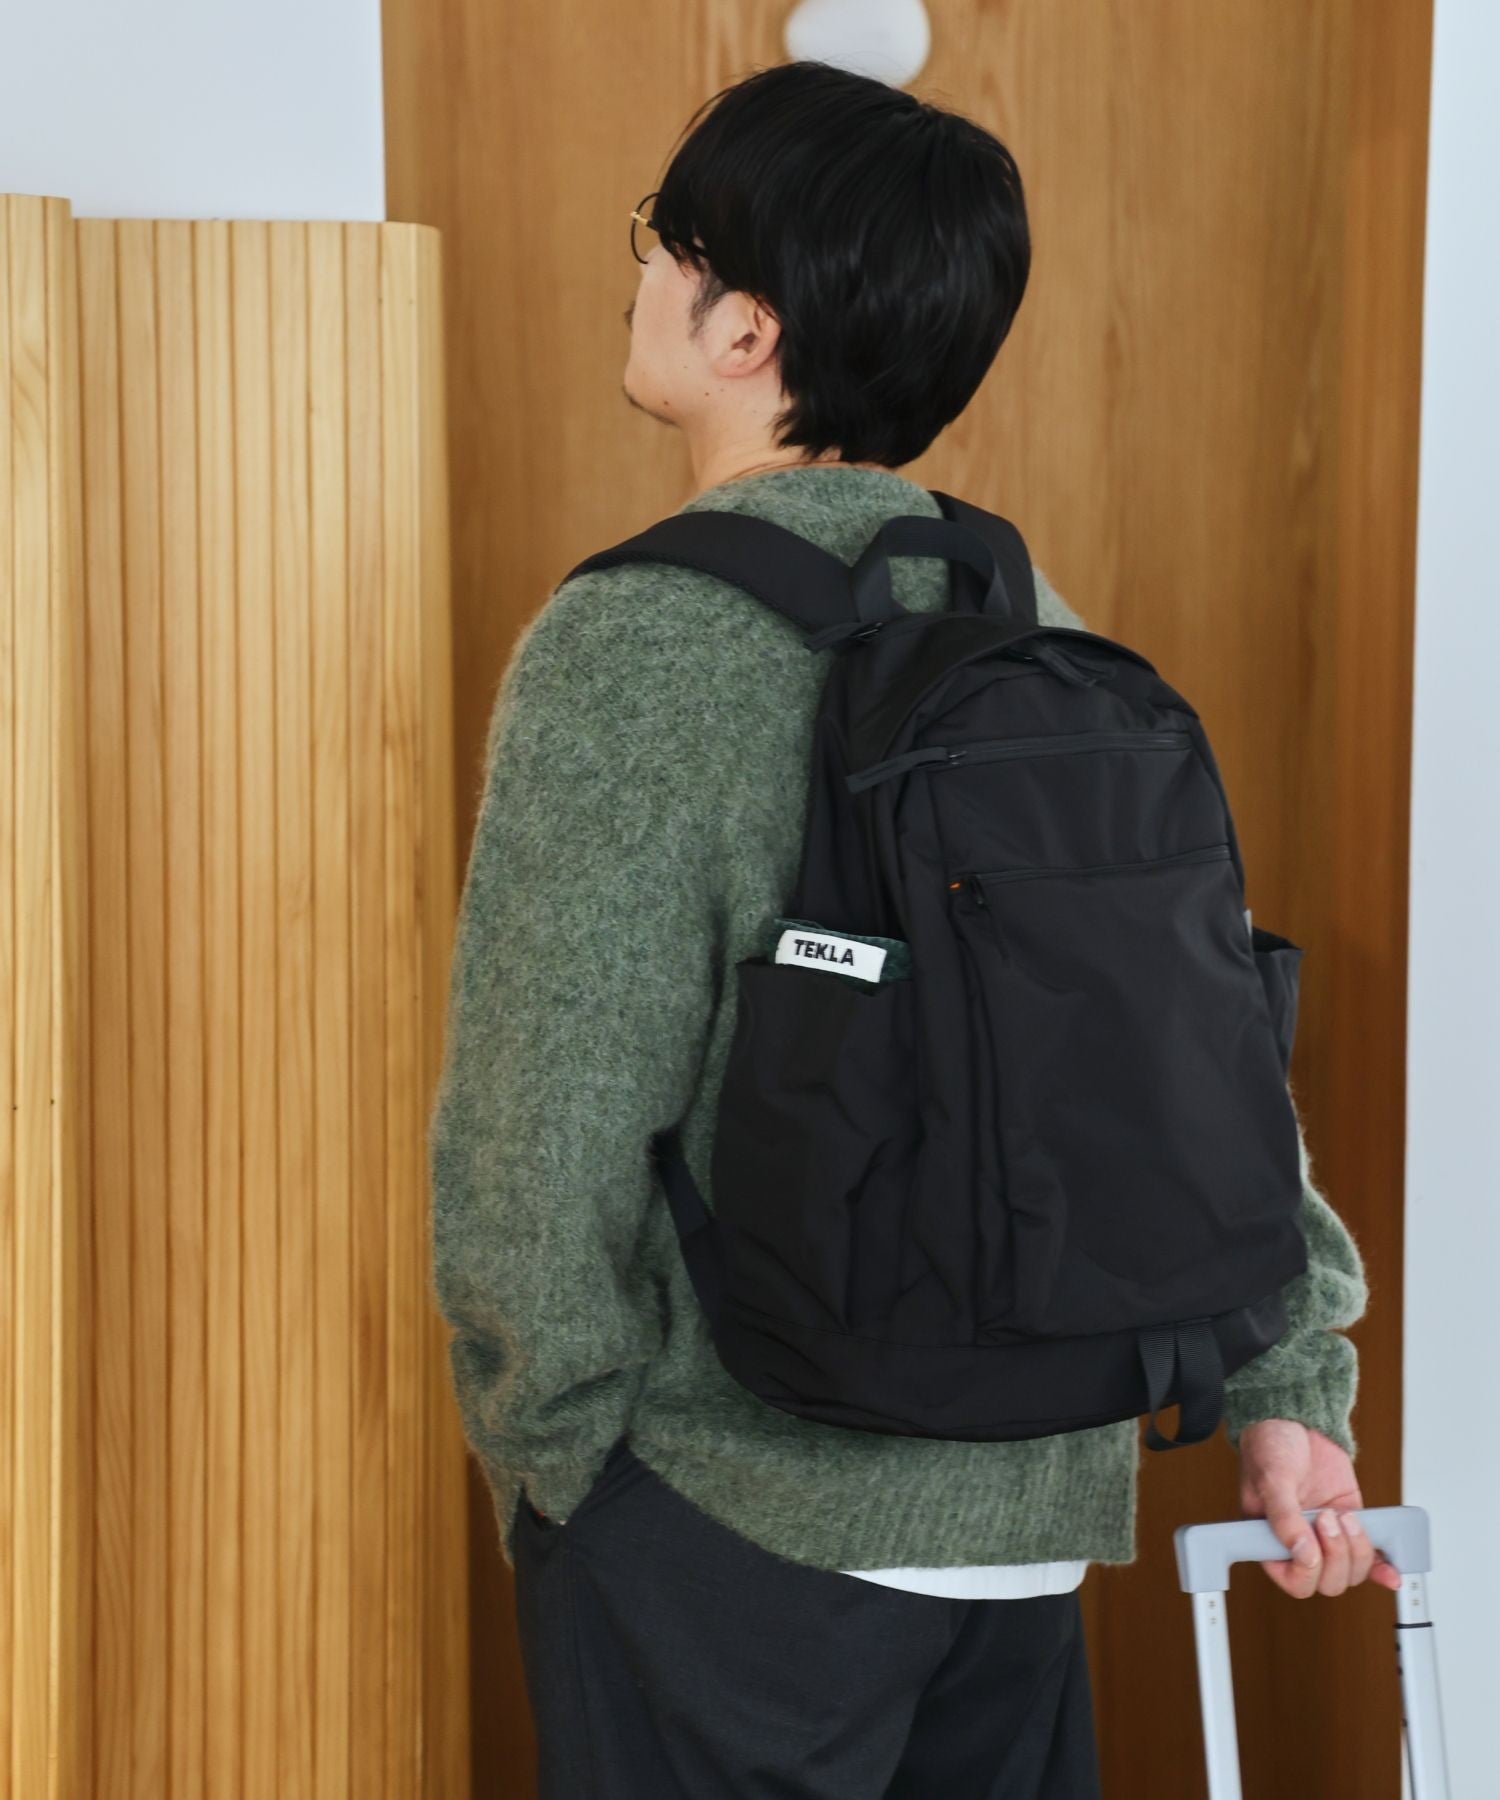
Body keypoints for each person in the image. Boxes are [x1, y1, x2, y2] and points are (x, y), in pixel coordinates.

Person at [426, 59, 1397, 1799]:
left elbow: (540, 1123)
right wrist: (1287, 1391)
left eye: (662, 240)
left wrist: (562, 1461)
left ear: (745, 328)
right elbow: (1192, 1051)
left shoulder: (635, 643)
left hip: (740, 1524)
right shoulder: (1036, 627)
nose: (638, 274)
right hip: (1027, 1533)